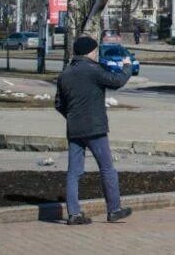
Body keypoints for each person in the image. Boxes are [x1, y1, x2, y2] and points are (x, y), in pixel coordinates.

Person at [54, 34, 134, 225]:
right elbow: (117, 81)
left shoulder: (65, 74)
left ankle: (73, 214)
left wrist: (73, 116)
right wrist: (127, 66)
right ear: (90, 52)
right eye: (96, 51)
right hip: (95, 129)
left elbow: (58, 103)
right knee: (107, 168)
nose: (97, 54)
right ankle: (114, 209)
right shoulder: (93, 70)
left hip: (74, 129)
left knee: (74, 172)